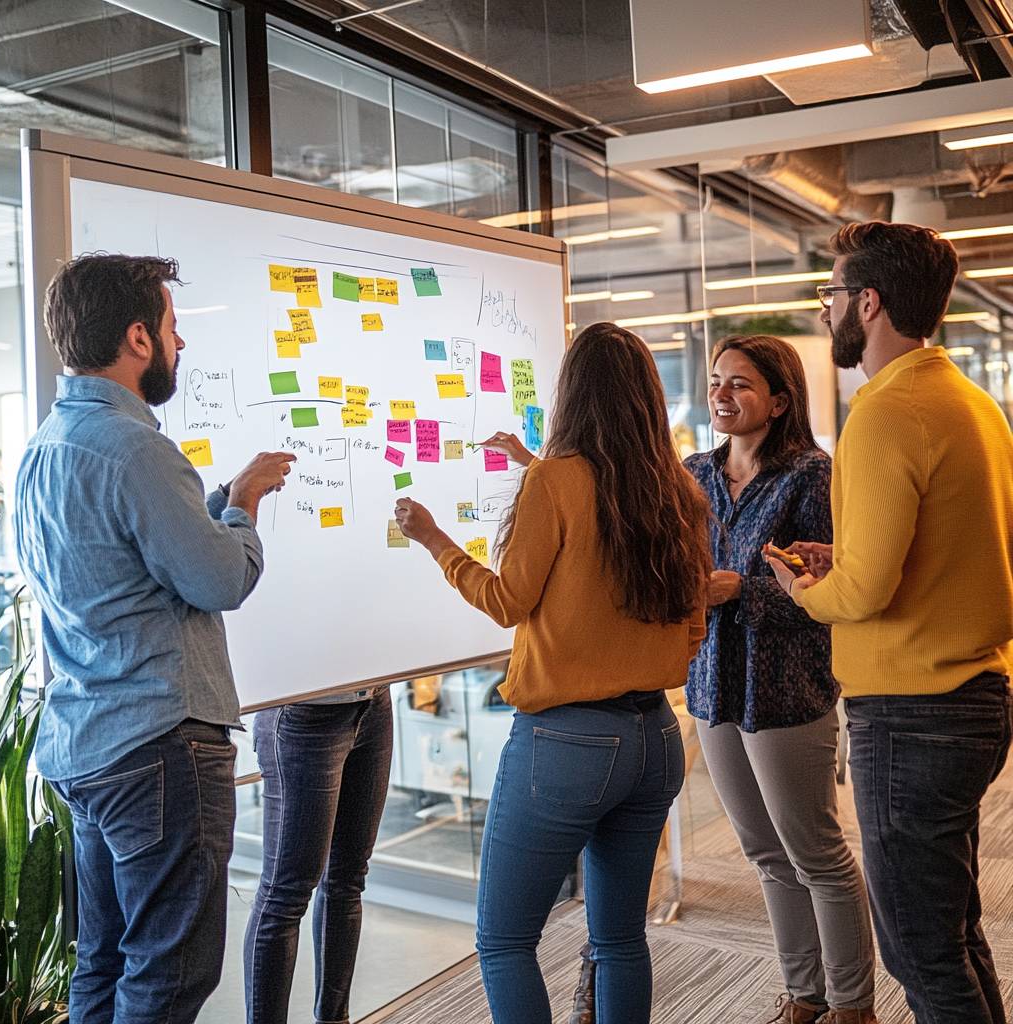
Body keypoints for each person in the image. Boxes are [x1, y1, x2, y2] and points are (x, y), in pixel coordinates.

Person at [394, 322, 711, 1024]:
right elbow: (694, 628)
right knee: (620, 939)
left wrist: (435, 538)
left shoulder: (555, 482)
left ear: (572, 394)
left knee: (504, 940)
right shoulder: (677, 492)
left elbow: (508, 600)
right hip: (655, 737)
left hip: (565, 746)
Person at [14, 253, 294, 1024]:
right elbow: (220, 580)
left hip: (89, 747)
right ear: (138, 338)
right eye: (173, 329)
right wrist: (240, 507)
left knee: (102, 968)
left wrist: (207, 502)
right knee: (168, 980)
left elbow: (118, 559)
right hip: (159, 750)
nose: (180, 345)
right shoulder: (138, 450)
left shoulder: (45, 449)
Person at [766, 221, 1013, 1024]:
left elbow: (865, 593)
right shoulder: (969, 403)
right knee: (952, 931)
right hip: (972, 694)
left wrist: (805, 589)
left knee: (919, 949)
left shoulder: (885, 409)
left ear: (867, 302)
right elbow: (944, 547)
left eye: (831, 293)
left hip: (914, 712)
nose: (828, 308)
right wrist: (846, 555)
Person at [686, 334, 876, 1024]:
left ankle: (854, 1004)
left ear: (779, 399)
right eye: (715, 381)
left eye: (739, 384)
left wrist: (742, 591)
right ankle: (805, 994)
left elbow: (830, 595)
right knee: (765, 853)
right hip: (711, 686)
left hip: (787, 689)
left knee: (816, 852)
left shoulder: (811, 476)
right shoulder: (693, 474)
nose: (722, 395)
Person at [242, 680, 392, 1024]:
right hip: (303, 708)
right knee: (285, 895)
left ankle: (334, 1017)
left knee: (348, 878)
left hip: (374, 698)